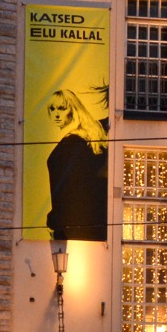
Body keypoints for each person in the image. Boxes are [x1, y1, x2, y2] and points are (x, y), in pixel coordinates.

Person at [45, 88, 108, 241]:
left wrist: (56, 219)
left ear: (73, 109)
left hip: (79, 228)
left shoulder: (73, 143)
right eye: (52, 109)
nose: (56, 114)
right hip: (83, 226)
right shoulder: (91, 133)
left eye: (62, 108)